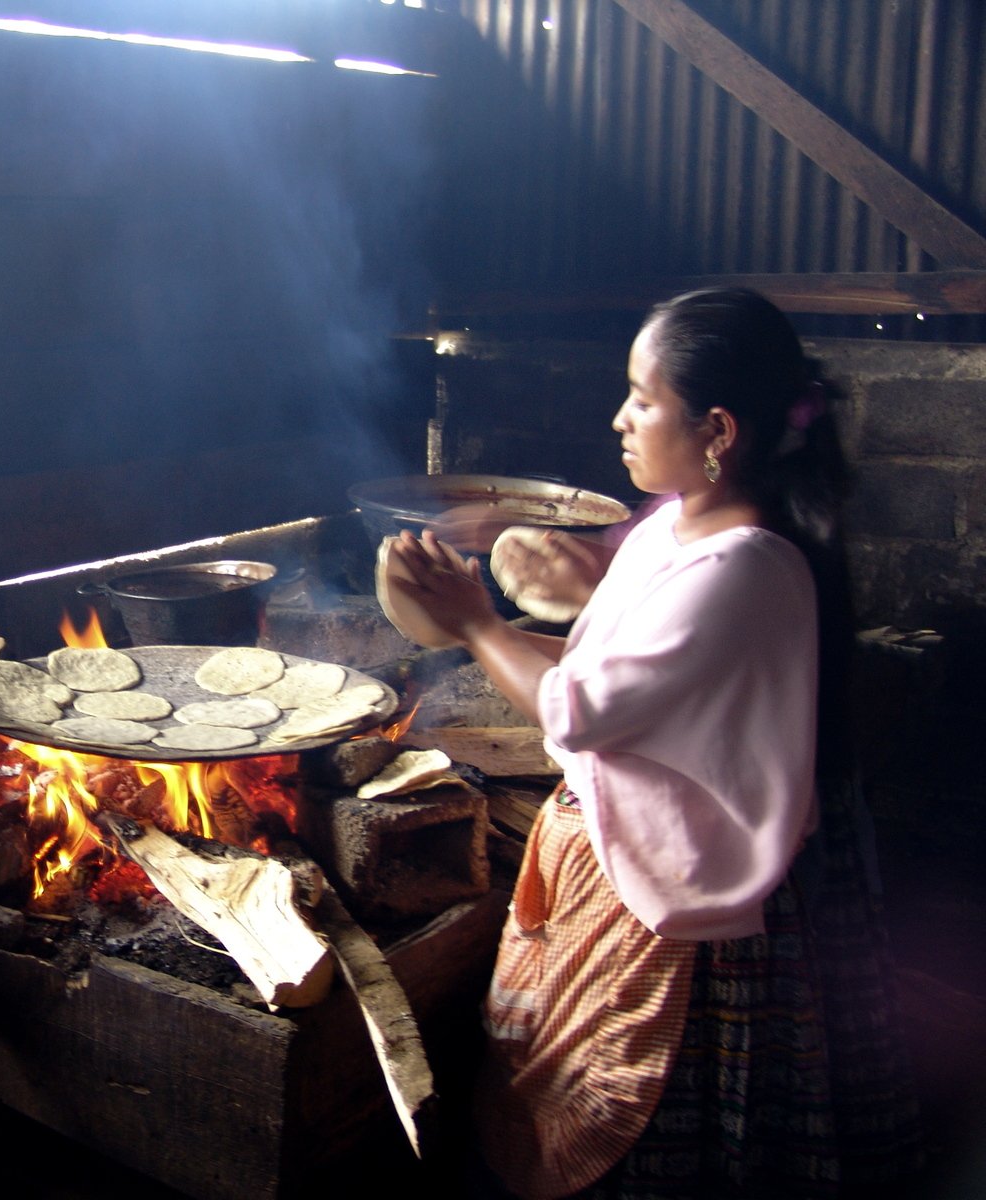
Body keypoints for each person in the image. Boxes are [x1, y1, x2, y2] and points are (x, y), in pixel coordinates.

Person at [381, 289, 922, 1198]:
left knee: (650, 1124)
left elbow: (576, 710)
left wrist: (478, 625)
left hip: (685, 892)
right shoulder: (674, 526)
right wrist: (463, 618)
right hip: (617, 852)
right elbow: (603, 665)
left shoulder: (746, 567)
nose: (620, 419)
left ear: (717, 428)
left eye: (641, 398)